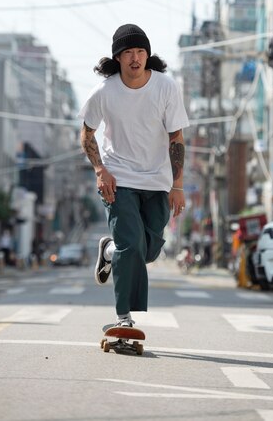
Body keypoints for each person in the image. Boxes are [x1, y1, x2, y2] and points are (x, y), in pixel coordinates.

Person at [79, 23, 190, 327]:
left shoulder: (165, 87)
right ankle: (124, 318)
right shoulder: (104, 92)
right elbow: (87, 135)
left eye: (140, 51)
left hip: (157, 180)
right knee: (131, 247)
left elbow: (176, 137)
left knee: (148, 251)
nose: (135, 58)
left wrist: (177, 185)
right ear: (118, 57)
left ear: (147, 55)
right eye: (128, 52)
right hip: (120, 179)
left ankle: (110, 248)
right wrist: (101, 170)